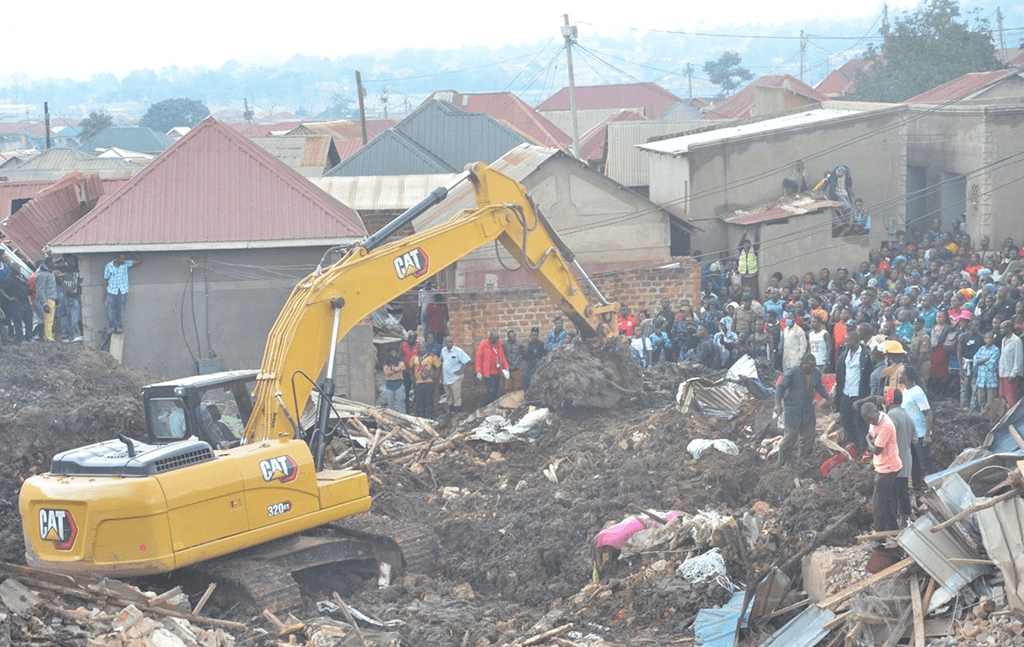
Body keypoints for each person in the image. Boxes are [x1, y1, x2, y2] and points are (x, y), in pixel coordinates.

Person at [775, 353, 830, 467]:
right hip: (793, 409)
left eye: (814, 366)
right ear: (802, 364)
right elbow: (780, 387)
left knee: (808, 435)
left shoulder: (816, 373)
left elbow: (819, 387)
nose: (813, 368)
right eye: (810, 366)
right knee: (790, 436)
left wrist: (828, 397)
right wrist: (777, 404)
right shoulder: (792, 373)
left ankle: (803, 458)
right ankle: (782, 459)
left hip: (808, 408)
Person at [860, 402, 902, 533]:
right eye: (868, 421)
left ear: (875, 411)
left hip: (888, 469)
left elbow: (876, 449)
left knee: (878, 504)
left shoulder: (886, 426)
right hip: (882, 466)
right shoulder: (874, 422)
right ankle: (893, 530)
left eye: (871, 419)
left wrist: (867, 440)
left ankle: (879, 536)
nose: (870, 422)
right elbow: (873, 439)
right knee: (886, 501)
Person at [836, 330, 873, 457]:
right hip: (846, 392)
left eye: (848, 341)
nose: (845, 343)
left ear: (856, 341)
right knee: (846, 420)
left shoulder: (866, 355)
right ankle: (852, 445)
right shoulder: (844, 353)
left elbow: (869, 375)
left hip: (859, 394)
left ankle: (862, 448)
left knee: (860, 423)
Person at [900, 367, 935, 492]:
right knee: (914, 464)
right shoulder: (906, 391)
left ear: (906, 377)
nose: (898, 375)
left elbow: (927, 414)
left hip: (920, 435)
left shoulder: (917, 392)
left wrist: (927, 435)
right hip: (910, 435)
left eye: (900, 374)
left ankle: (936, 486)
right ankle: (917, 488)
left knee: (925, 463)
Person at [885, 388, 915, 526]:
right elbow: (915, 439)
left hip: (893, 460)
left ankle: (893, 523)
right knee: (903, 492)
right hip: (906, 460)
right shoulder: (907, 416)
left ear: (889, 400)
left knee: (891, 494)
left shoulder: (890, 416)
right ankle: (904, 520)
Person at [104, 253, 140, 334]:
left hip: (122, 290)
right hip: (111, 290)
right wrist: (105, 295)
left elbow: (139, 261)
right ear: (117, 259)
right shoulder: (108, 266)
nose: (124, 260)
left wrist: (132, 252)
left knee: (120, 309)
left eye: (125, 259)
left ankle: (119, 326)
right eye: (122, 259)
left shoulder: (125, 264)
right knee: (111, 310)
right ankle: (112, 326)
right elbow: (105, 280)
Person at [475, 331, 510, 406]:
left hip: (497, 372)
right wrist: (478, 371)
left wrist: (506, 368)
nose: (497, 340)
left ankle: (492, 407)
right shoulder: (483, 344)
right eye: (495, 338)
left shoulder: (499, 344)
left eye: (498, 338)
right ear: (491, 338)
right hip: (487, 372)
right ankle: (483, 405)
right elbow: (478, 358)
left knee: (495, 391)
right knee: (491, 391)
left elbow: (502, 356)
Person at [54, 254, 82, 341]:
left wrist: (79, 295)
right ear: (65, 262)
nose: (72, 263)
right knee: (64, 316)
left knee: (75, 316)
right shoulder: (61, 269)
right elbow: (52, 265)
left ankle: (72, 333)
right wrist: (60, 260)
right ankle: (67, 333)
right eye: (70, 261)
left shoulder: (78, 268)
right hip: (64, 296)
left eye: (73, 261)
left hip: (74, 297)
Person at [440, 336, 472, 413]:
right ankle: (451, 414)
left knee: (456, 397)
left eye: (451, 342)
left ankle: (457, 414)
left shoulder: (458, 351)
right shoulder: (443, 350)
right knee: (449, 397)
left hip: (455, 378)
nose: (449, 343)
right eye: (448, 342)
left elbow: (468, 361)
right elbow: (441, 361)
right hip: (446, 378)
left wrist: (461, 371)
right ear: (445, 342)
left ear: (453, 342)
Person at [410, 344, 442, 419]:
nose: (422, 349)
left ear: (426, 348)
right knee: (420, 400)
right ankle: (421, 416)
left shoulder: (432, 356)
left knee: (429, 400)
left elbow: (439, 366)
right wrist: (413, 377)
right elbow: (410, 367)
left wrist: (434, 376)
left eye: (423, 347)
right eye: (420, 347)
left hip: (429, 382)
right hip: (418, 382)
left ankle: (428, 417)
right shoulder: (414, 357)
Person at [998, 319, 1024, 406]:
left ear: (1009, 328)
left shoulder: (1016, 341)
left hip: (1011, 374)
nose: (1000, 330)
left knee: (1012, 399)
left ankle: (1013, 418)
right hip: (1003, 373)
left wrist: (1014, 374)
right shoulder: (1003, 340)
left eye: (1002, 328)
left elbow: (1018, 359)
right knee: (1003, 398)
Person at [33, 257, 58, 342]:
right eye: (53, 262)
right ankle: (48, 338)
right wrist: (44, 304)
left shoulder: (50, 272)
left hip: (52, 298)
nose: (54, 264)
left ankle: (48, 336)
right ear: (48, 263)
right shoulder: (42, 275)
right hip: (47, 299)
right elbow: (40, 290)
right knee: (48, 320)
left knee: (51, 320)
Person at [973, 331, 1001, 409]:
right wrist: (983, 360)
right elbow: (975, 360)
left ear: (994, 339)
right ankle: (983, 415)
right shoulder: (981, 349)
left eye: (990, 338)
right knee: (981, 399)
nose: (988, 340)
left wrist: (981, 361)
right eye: (986, 338)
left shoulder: (996, 350)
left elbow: (992, 364)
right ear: (984, 340)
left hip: (991, 380)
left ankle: (991, 419)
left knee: (991, 400)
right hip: (981, 379)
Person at [381, 347, 407, 414]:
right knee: (390, 403)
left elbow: (402, 367)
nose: (394, 354)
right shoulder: (386, 361)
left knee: (401, 401)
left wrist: (393, 370)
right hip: (389, 384)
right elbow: (386, 373)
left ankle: (403, 416)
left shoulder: (400, 360)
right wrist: (395, 370)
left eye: (395, 352)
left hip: (399, 383)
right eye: (392, 352)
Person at [399, 331, 419, 410]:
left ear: (415, 338)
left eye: (412, 337)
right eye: (409, 337)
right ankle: (406, 407)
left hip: (416, 372)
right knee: (406, 390)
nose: (410, 339)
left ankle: (415, 407)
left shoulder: (418, 346)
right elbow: (400, 357)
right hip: (406, 372)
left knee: (416, 391)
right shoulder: (404, 346)